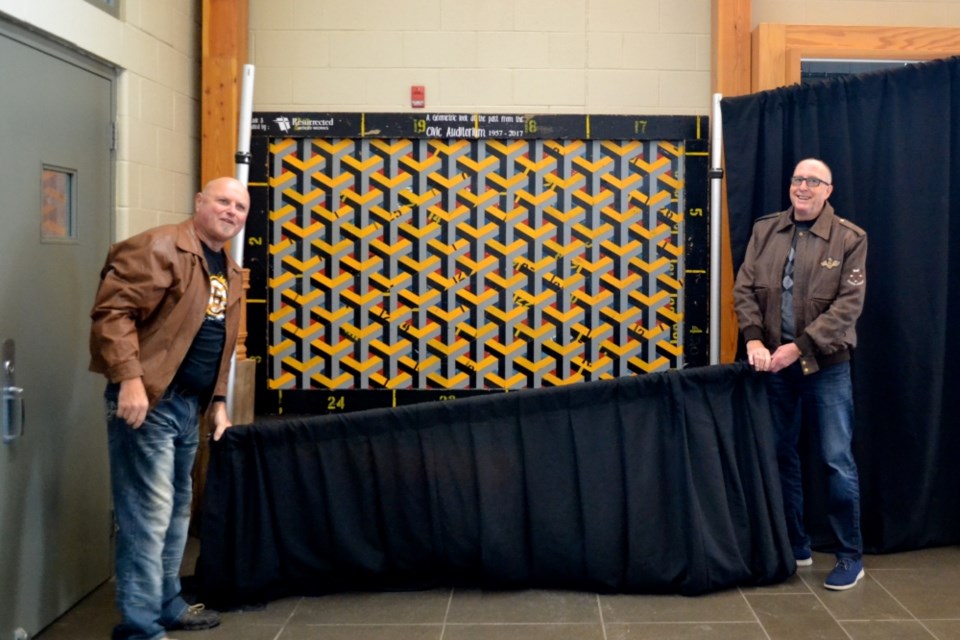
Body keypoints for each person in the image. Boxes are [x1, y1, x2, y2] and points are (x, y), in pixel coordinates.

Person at [89, 177, 250, 638]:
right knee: (148, 514)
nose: (231, 211)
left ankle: (165, 603)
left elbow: (218, 343)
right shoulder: (159, 247)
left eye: (240, 207)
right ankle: (142, 627)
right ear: (199, 203)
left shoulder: (228, 269)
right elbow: (112, 314)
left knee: (177, 510)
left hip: (188, 408)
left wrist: (218, 401)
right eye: (222, 201)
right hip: (151, 403)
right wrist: (130, 380)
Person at [733, 158, 867, 591]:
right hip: (774, 366)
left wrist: (799, 347)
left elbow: (847, 307)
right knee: (778, 455)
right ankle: (796, 545)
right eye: (797, 179)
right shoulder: (765, 230)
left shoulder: (849, 238)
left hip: (824, 367)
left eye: (813, 181)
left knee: (835, 461)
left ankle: (850, 555)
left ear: (829, 190)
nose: (803, 187)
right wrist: (754, 340)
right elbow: (745, 289)